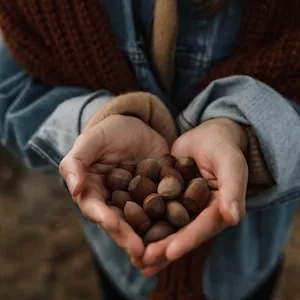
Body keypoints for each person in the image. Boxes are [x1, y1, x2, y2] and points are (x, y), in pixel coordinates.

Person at [0, 0, 300, 299]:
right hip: (121, 259)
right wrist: (91, 125)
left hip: (244, 262)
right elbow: (10, 88)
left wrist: (251, 139)